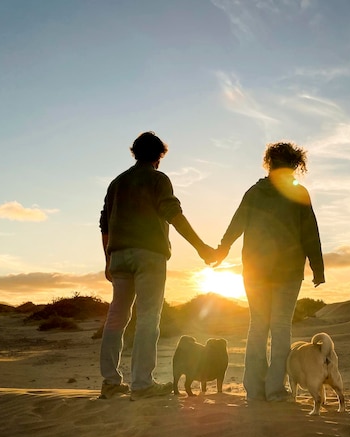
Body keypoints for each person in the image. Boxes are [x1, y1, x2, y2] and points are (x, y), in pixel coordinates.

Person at [99, 131, 215, 401]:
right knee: (148, 318)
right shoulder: (157, 179)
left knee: (116, 318)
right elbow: (172, 213)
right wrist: (200, 247)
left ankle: (110, 382)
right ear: (159, 155)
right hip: (149, 255)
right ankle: (141, 384)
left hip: (118, 256)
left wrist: (107, 259)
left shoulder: (117, 183)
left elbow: (104, 223)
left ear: (134, 152)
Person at [214, 142, 325, 402]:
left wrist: (221, 250)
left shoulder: (254, 192)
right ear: (295, 165)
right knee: (280, 327)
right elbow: (310, 233)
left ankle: (254, 389)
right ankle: (275, 390)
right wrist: (317, 269)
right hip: (287, 271)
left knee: (258, 327)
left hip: (255, 270)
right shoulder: (299, 193)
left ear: (269, 163)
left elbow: (236, 224)